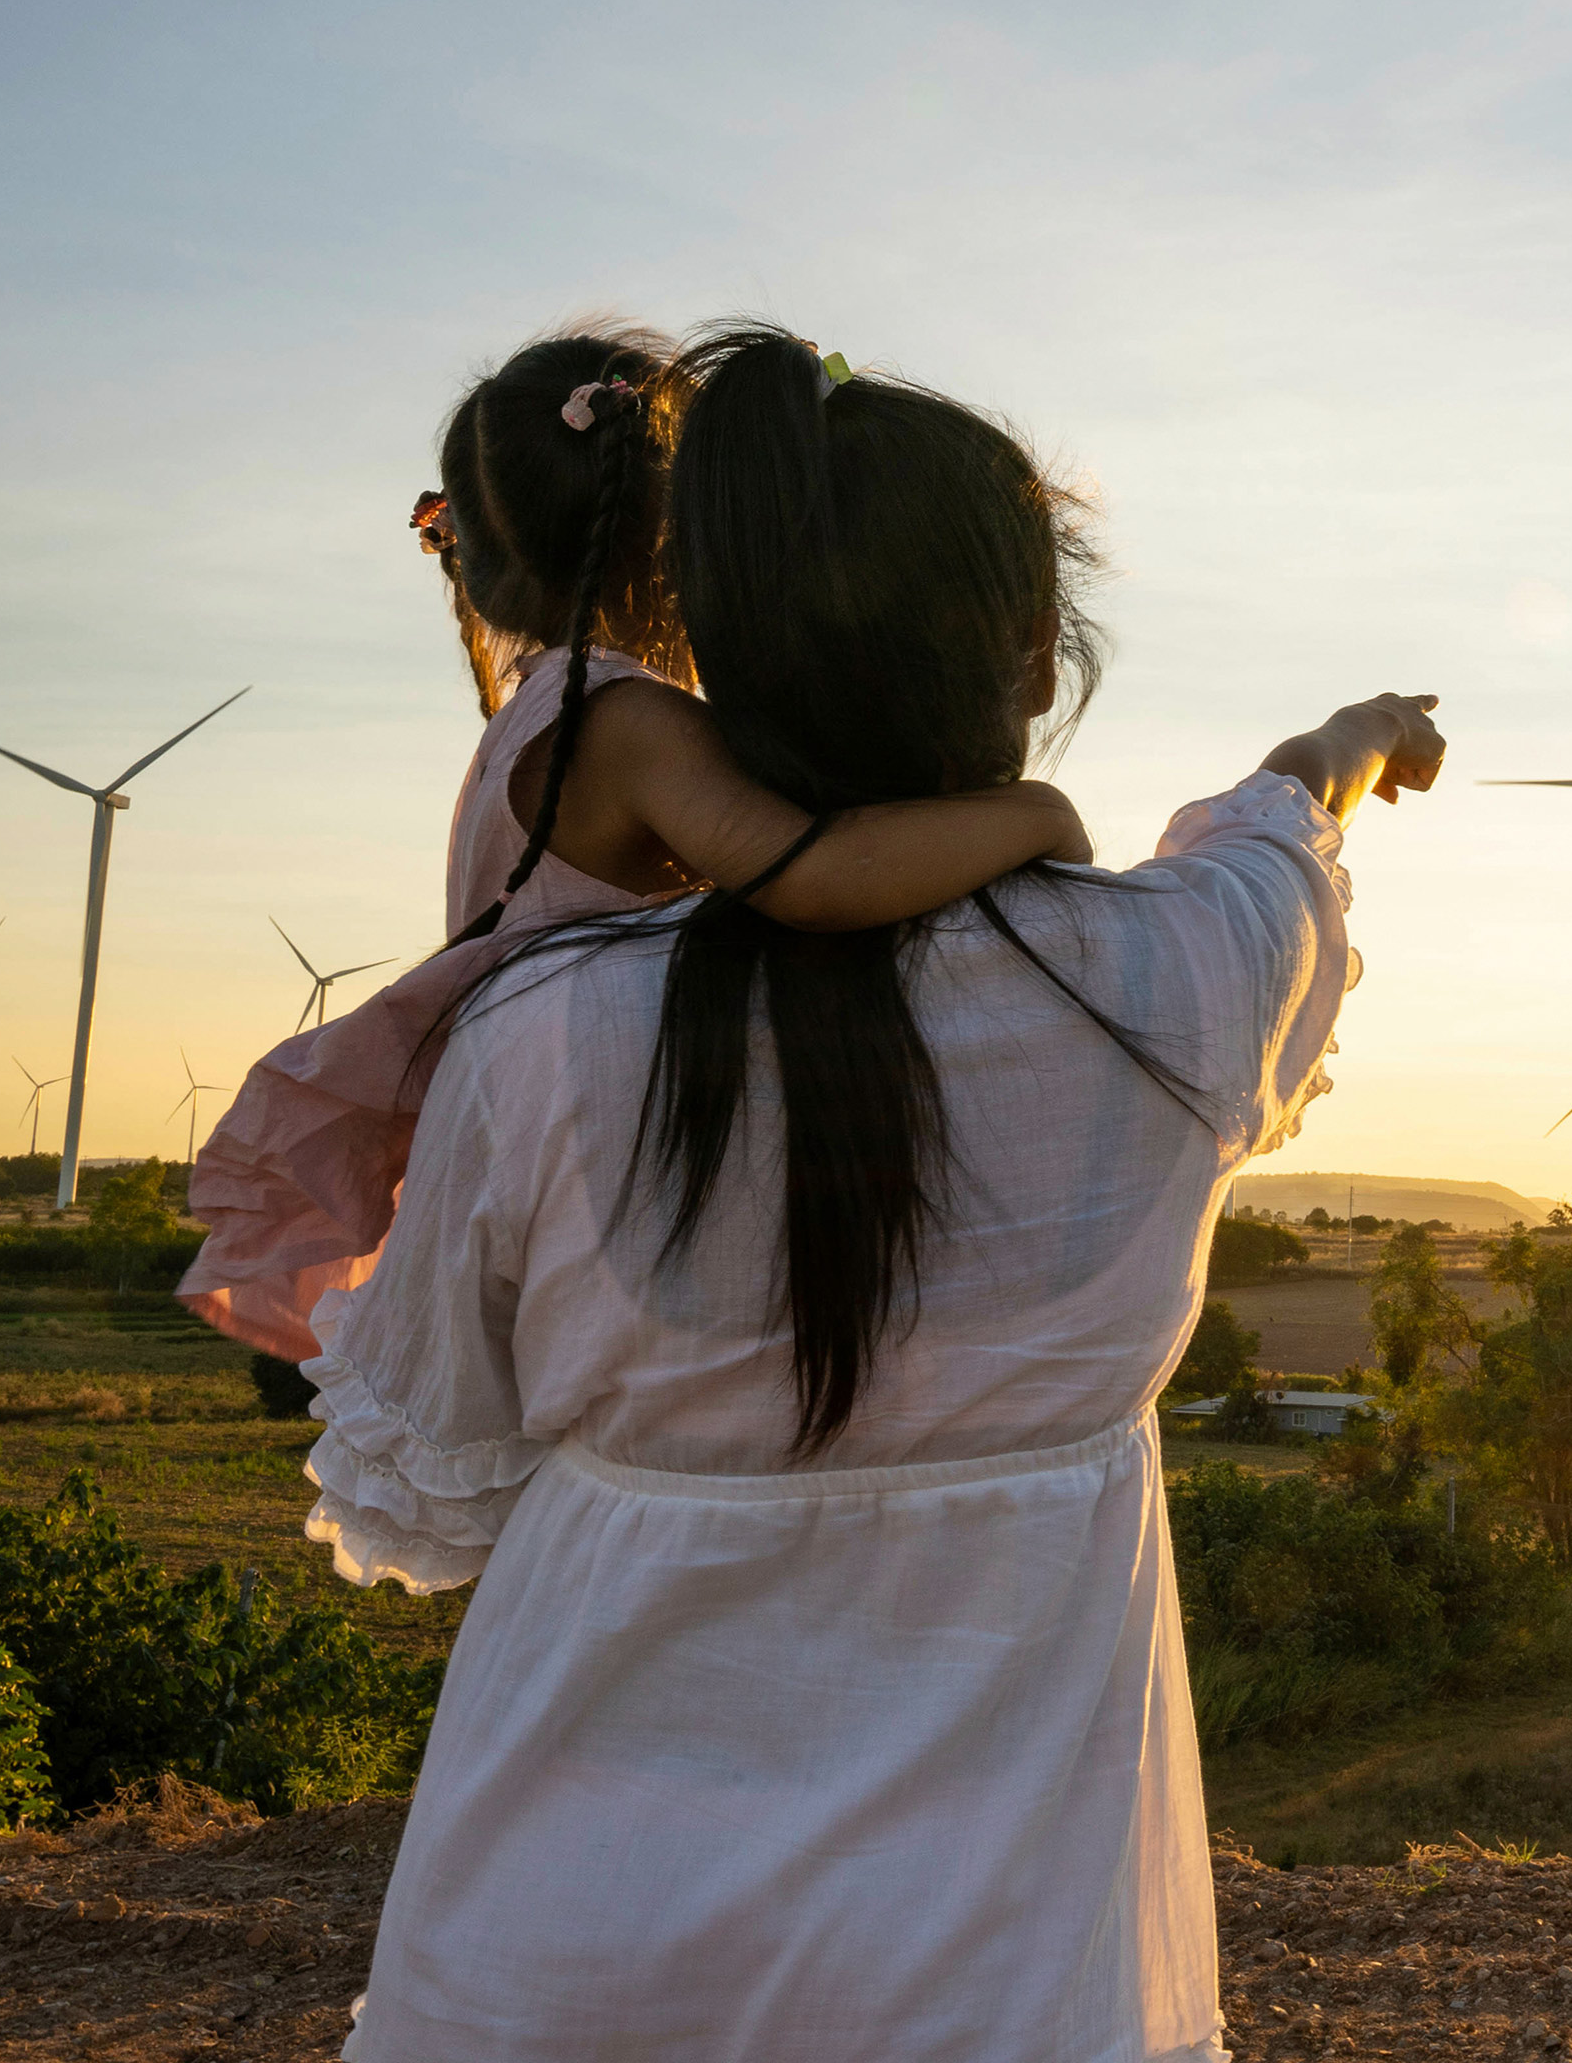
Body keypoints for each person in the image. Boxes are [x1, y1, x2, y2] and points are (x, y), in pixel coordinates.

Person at [301, 325, 1444, 2063]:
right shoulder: (1184, 977)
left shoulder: (537, 1036)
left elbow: (435, 1490)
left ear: (713, 654)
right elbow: (1278, 822)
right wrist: (1355, 734)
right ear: (1042, 649)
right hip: (1013, 1978)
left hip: (563, 1949)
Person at [185, 324, 1088, 1359]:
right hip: (596, 1138)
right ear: (685, 543)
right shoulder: (632, 725)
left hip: (535, 1129)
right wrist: (1034, 817)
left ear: (474, 566)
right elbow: (811, 875)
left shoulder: (536, 718)